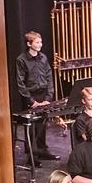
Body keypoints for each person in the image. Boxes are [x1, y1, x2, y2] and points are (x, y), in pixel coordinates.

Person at [15, 30, 58, 161]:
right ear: (29, 44)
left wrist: (48, 97)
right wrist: (31, 101)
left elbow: (49, 77)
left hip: (43, 94)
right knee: (32, 127)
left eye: (41, 42)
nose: (40, 45)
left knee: (42, 124)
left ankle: (42, 150)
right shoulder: (21, 59)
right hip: (31, 96)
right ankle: (33, 156)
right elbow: (20, 82)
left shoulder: (43, 57)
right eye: (37, 42)